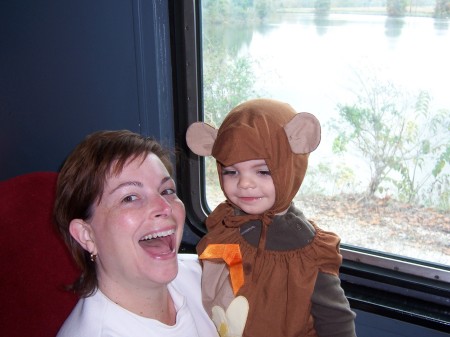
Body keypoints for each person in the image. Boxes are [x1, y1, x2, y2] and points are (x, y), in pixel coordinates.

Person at [186, 98, 357, 337]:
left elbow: (337, 321)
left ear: (290, 168)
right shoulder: (226, 224)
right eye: (231, 171)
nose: (244, 183)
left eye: (263, 171)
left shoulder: (307, 251)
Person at [53, 130, 218, 337]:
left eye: (167, 191)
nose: (164, 206)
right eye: (130, 198)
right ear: (87, 235)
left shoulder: (203, 275)